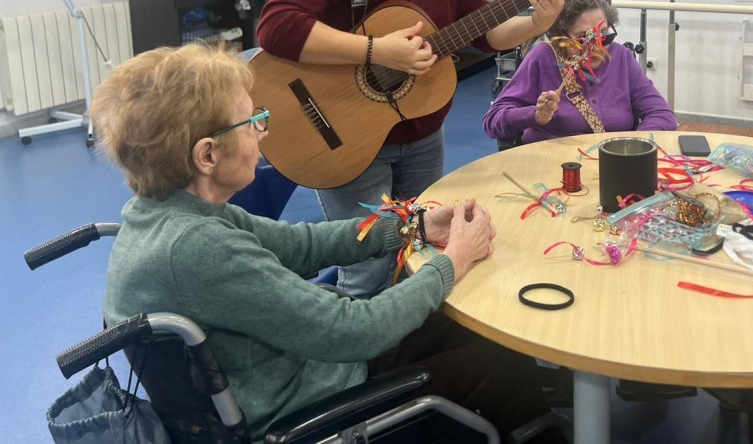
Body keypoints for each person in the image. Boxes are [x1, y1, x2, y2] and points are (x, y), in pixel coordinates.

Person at [92, 44, 554, 442]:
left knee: (464, 325)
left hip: (298, 371)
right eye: (252, 121)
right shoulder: (199, 249)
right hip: (313, 405)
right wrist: (453, 259)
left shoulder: (172, 212)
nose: (263, 130)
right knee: (503, 366)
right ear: (207, 154)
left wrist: (412, 226)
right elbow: (355, 330)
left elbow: (302, 245)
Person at [257, 0, 563, 297]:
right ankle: (357, 342)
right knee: (368, 269)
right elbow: (277, 26)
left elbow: (483, 32)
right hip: (344, 134)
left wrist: (536, 23)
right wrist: (375, 51)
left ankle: (413, 338)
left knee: (421, 248)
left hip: (422, 132)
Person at [482, 0, 677, 144]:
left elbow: (661, 114)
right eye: (583, 38)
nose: (596, 47)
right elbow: (492, 121)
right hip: (552, 162)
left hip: (611, 162)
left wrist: (634, 146)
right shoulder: (542, 57)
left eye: (604, 35)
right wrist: (535, 114)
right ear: (561, 35)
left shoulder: (621, 57)